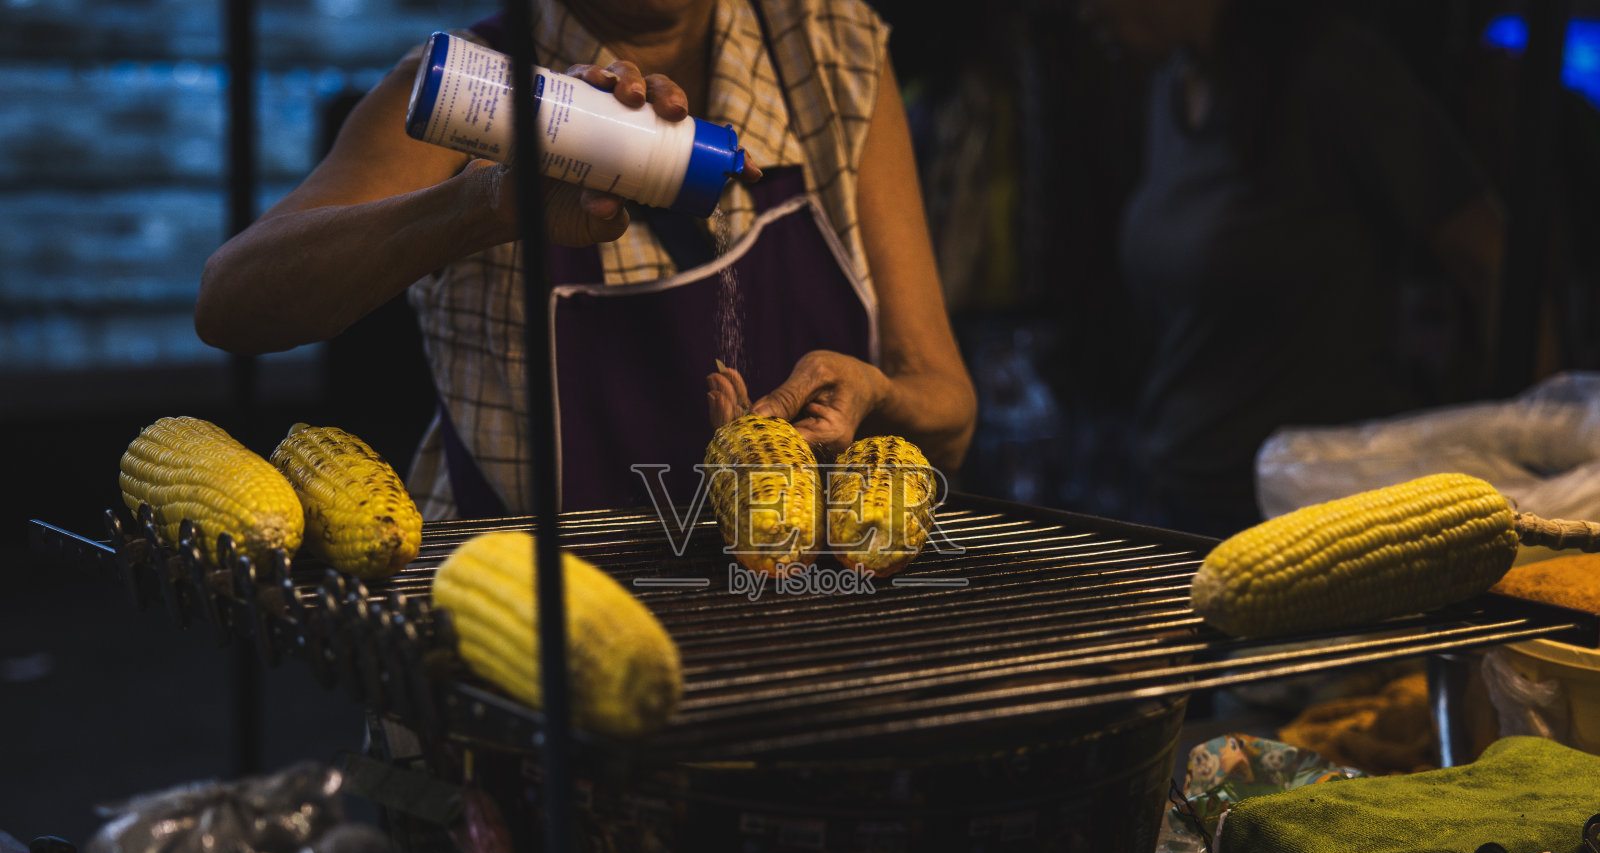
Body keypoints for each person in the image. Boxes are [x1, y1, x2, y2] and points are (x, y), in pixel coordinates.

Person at [194, 0, 977, 517]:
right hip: (543, 650)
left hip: (794, 625)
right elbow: (232, 302)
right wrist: (492, 201)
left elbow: (948, 414)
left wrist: (877, 395)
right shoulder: (473, 89)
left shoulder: (828, 48)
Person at [1085, 0, 1546, 538]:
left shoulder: (1334, 73)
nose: (1083, 13)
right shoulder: (1173, 87)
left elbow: (1489, 252)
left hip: (1301, 515)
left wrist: (1533, 461)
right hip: (1179, 495)